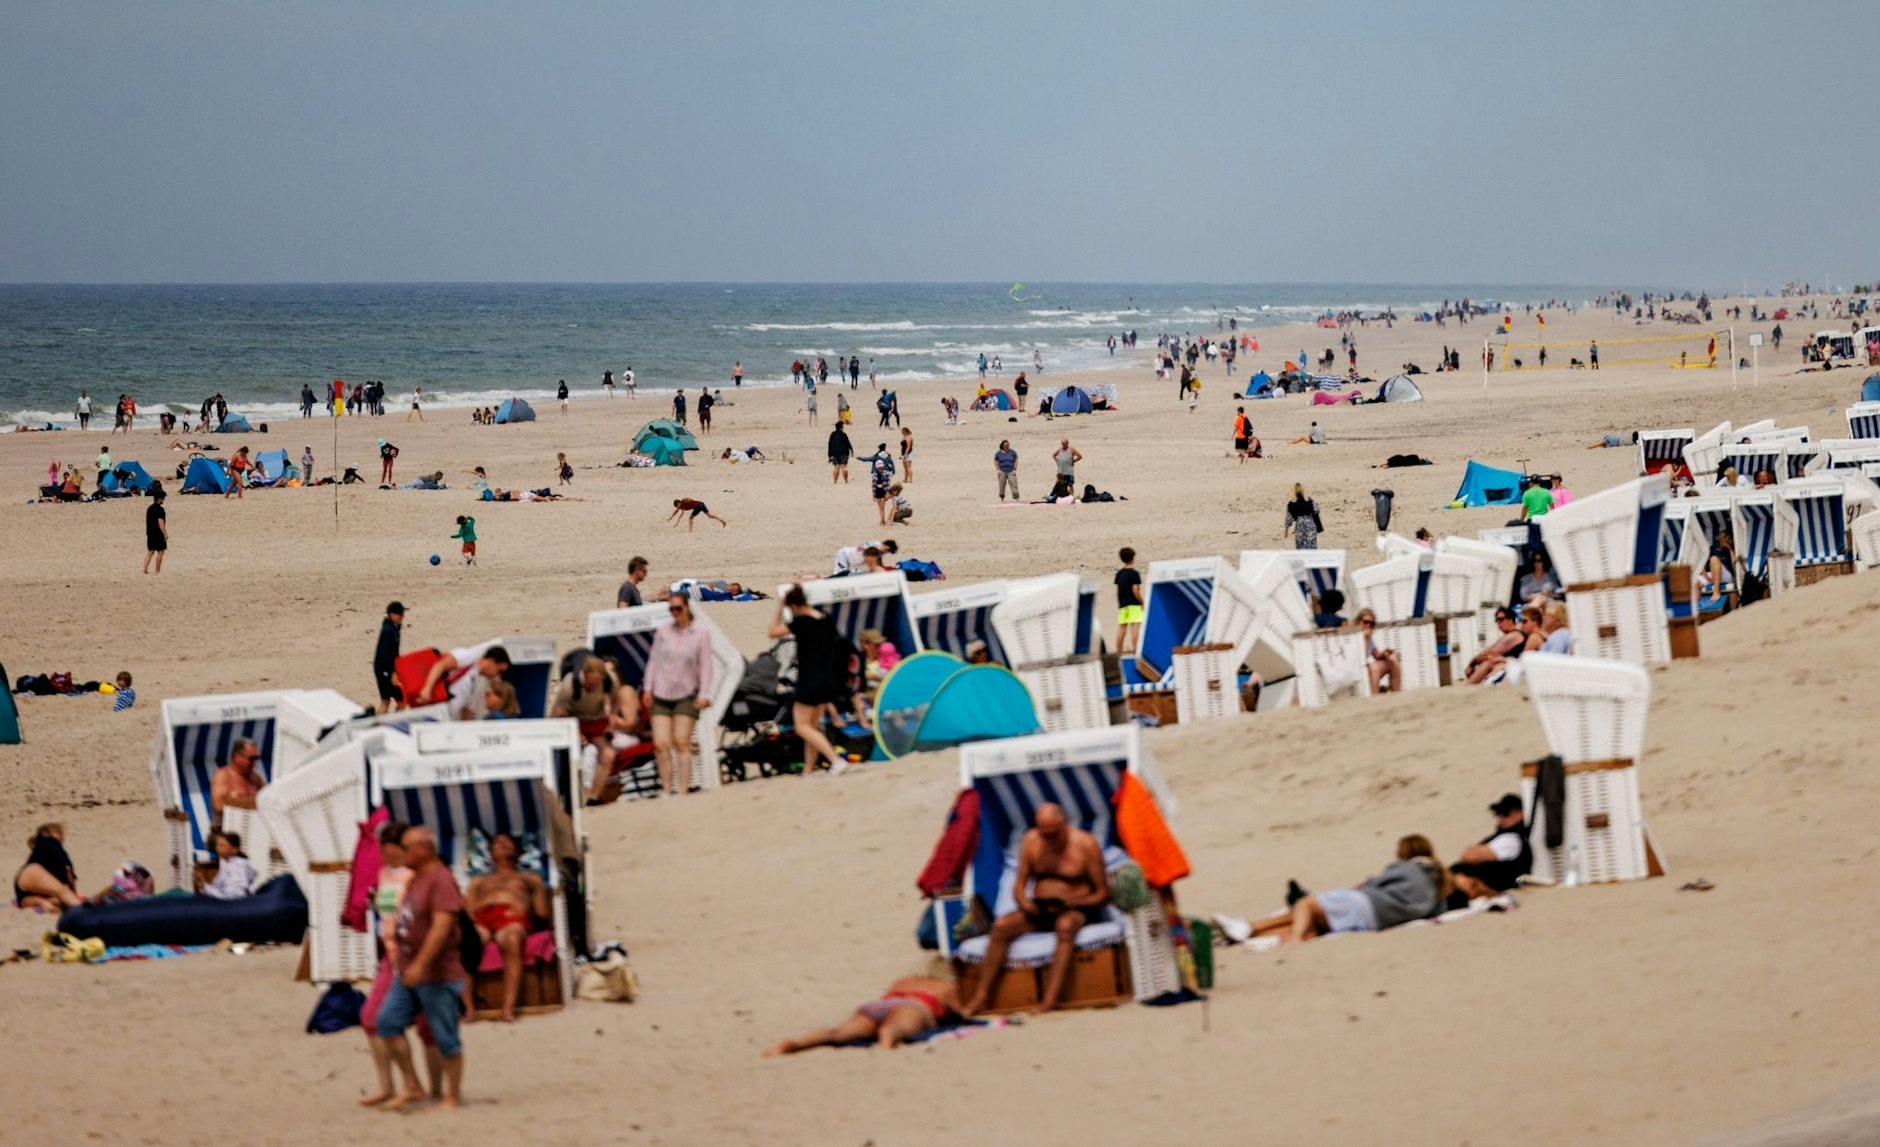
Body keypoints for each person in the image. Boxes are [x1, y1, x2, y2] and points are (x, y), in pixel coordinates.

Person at [960, 803, 1109, 1016]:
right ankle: (981, 998)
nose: (1049, 840)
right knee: (1002, 926)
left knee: (1065, 926)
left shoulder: (1085, 845)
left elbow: (1102, 893)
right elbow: (1019, 885)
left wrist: (1077, 902)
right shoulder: (1031, 841)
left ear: (1064, 824)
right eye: (1044, 834)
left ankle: (1050, 1000)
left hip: (1075, 907)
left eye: (1054, 834)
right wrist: (1025, 903)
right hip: (1040, 908)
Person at [376, 826, 466, 1110]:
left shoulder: (441, 880)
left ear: (423, 849)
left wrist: (421, 964)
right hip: (408, 970)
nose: (401, 852)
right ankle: (412, 1084)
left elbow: (442, 928)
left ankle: (452, 1095)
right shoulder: (417, 879)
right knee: (387, 1022)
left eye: (406, 847)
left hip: (437, 973)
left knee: (445, 1037)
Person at [358, 821, 445, 1107]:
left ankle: (434, 1091)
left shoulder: (417, 876)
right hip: (391, 957)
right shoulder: (384, 874)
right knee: (372, 1018)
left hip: (417, 957)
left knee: (426, 1027)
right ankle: (393, 1084)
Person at [1241, 835, 1448, 943]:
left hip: (1369, 905)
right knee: (1315, 924)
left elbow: (1375, 883)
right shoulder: (1439, 888)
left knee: (1306, 904)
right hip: (1378, 922)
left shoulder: (1408, 868)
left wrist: (1359, 887)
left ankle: (1254, 928)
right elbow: (1437, 910)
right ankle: (1250, 933)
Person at [467, 831, 549, 1023]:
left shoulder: (530, 879)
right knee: (467, 943)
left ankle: (508, 1008)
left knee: (512, 940)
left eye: (507, 842)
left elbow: (542, 913)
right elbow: (468, 910)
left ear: (518, 852)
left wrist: (524, 911)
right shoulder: (479, 881)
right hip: (482, 918)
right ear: (490, 853)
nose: (502, 844)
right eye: (497, 842)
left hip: (511, 917)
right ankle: (469, 1009)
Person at [765, 975, 962, 1055]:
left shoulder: (903, 980)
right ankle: (885, 1042)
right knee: (893, 1028)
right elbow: (962, 1013)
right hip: (915, 1004)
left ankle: (795, 1043)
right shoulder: (943, 987)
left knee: (837, 1033)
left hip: (878, 1005)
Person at [768, 586, 849, 777]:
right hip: (827, 679)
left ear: (794, 606)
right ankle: (808, 769)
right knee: (812, 728)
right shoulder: (825, 618)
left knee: (802, 727)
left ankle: (836, 760)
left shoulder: (801, 622)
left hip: (809, 681)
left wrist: (780, 608)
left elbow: (772, 631)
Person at [645, 592, 715, 796]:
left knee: (681, 741)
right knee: (660, 743)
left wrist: (704, 693)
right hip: (661, 691)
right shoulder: (663, 631)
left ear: (686, 608)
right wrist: (648, 688)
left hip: (686, 692)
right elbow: (654, 661)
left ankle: (683, 791)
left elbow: (705, 666)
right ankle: (667, 789)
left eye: (678, 608)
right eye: (671, 609)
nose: (675, 613)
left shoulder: (700, 632)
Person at [555, 657, 623, 804]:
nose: (593, 686)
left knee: (608, 755)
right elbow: (558, 713)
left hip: (596, 720)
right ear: (584, 675)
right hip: (573, 720)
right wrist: (575, 734)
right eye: (590, 681)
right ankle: (574, 796)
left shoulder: (610, 680)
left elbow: (616, 700)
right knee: (573, 757)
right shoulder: (569, 685)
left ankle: (593, 796)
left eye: (597, 682)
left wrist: (612, 719)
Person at [1448, 794, 1532, 903]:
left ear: (1520, 814)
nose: (1500, 818)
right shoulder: (1507, 836)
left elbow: (1468, 856)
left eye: (1505, 813)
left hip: (1473, 885)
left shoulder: (1512, 839)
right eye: (1498, 813)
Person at [417, 645, 512, 720]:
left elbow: (467, 712)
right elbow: (441, 665)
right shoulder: (468, 657)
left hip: (446, 721)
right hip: (431, 713)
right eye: (499, 671)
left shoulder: (479, 682)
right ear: (491, 661)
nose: (497, 676)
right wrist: (427, 689)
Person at [14, 823, 82, 911]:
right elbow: (67, 867)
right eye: (58, 832)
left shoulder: (40, 846)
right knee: (65, 894)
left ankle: (41, 902)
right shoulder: (51, 841)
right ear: (44, 833)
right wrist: (73, 892)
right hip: (34, 872)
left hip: (23, 879)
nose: (62, 835)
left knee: (56, 900)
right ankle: (84, 912)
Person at [210, 738, 266, 824]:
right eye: (251, 759)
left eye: (256, 758)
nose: (254, 763)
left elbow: (269, 800)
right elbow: (218, 805)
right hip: (225, 831)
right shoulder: (223, 775)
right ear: (237, 756)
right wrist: (246, 802)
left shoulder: (256, 778)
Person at [1463, 608, 1525, 685]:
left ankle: (1469, 685)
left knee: (1488, 663)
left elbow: (1488, 652)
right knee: (1491, 659)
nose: (1498, 622)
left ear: (1511, 620)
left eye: (1501, 619)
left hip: (1515, 667)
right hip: (1513, 665)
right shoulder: (1513, 634)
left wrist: (1471, 664)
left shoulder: (1513, 636)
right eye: (1497, 620)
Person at [1355, 608, 1400, 693]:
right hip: (1358, 670)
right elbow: (1361, 658)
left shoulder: (1368, 637)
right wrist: (1365, 639)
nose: (1369, 625)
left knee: (1393, 658)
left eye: (1372, 624)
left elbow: (1376, 654)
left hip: (1368, 669)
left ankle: (1396, 692)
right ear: (1358, 622)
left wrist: (1384, 654)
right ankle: (1375, 698)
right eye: (1366, 622)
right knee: (1373, 667)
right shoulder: (1354, 635)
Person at [201, 830, 256, 900]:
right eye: (217, 845)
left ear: (234, 849)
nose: (217, 848)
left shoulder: (236, 867)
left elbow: (232, 898)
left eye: (222, 845)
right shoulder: (231, 864)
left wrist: (205, 887)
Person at [374, 601, 405, 713]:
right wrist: (392, 672)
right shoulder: (388, 630)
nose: (402, 616)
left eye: (402, 614)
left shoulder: (393, 629)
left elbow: (394, 653)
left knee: (398, 700)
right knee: (387, 700)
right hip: (384, 670)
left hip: (386, 669)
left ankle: (391, 723)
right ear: (391, 614)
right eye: (399, 614)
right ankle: (384, 725)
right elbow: (384, 654)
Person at [1115, 546, 1143, 654]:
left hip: (1123, 603)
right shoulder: (1133, 573)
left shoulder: (1119, 574)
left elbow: (1118, 590)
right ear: (1133, 558)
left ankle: (1119, 650)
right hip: (1133, 603)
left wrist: (1120, 602)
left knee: (1122, 627)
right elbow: (1135, 589)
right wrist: (1141, 601)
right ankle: (1136, 648)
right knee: (1135, 626)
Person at [1283, 484, 1323, 550]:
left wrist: (1286, 532)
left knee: (1300, 547)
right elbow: (1316, 510)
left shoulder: (1291, 503)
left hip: (1300, 526)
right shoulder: (1310, 501)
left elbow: (1288, 519)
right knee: (1312, 546)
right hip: (1311, 525)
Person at [1703, 528, 1738, 604]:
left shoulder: (1730, 550)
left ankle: (1716, 593)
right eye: (1722, 536)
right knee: (1697, 582)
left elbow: (1734, 563)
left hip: (1726, 575)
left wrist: (1729, 548)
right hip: (1713, 574)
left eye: (1726, 537)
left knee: (1714, 559)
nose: (1724, 539)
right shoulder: (1712, 549)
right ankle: (1692, 610)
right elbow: (1702, 562)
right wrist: (1704, 572)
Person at [143, 487, 168, 574]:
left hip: (150, 533)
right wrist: (164, 533)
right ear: (159, 499)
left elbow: (146, 520)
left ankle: (145, 568)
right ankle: (157, 570)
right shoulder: (160, 510)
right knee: (160, 551)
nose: (163, 500)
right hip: (158, 533)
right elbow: (160, 522)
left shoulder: (149, 508)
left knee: (150, 551)